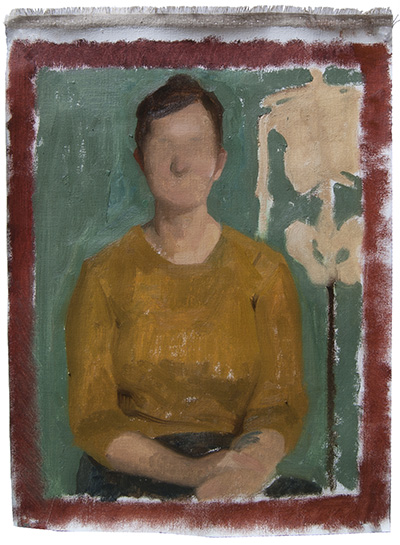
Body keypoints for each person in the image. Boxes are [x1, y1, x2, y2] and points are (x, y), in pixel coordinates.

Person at [65, 74, 309, 502]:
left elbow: (279, 406)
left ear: (219, 161)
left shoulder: (264, 271)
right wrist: (194, 473)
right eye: (164, 147)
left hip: (236, 470)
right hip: (130, 476)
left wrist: (244, 469)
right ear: (141, 160)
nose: (180, 164)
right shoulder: (103, 274)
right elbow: (94, 420)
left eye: (196, 146)